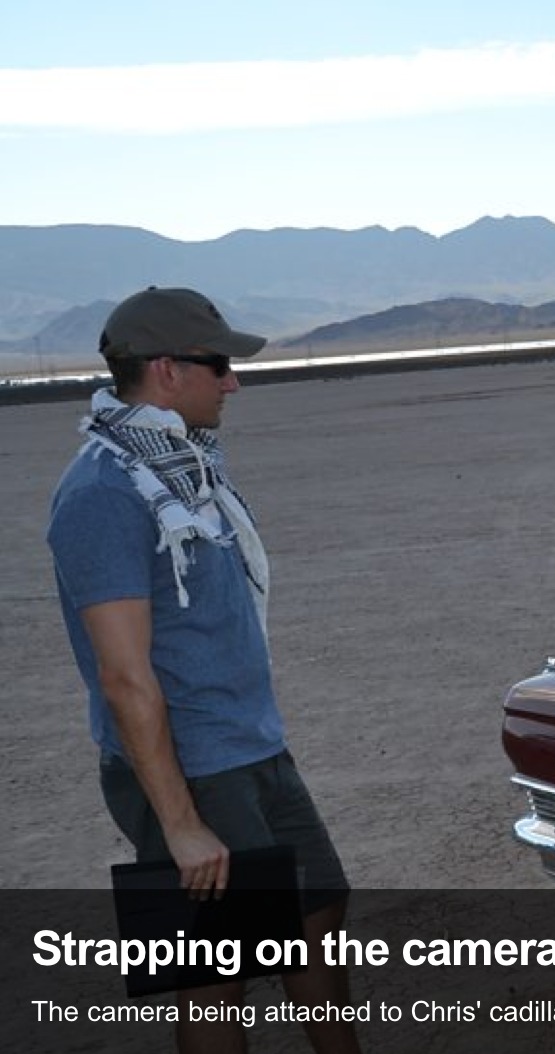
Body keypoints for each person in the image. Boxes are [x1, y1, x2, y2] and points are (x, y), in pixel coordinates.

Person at [45, 287, 360, 1053]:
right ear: (165, 369)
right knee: (216, 972)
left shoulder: (185, 472)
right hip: (191, 769)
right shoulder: (103, 492)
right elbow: (122, 677)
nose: (233, 381)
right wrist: (181, 824)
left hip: (251, 747)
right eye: (218, 364)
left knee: (318, 914)